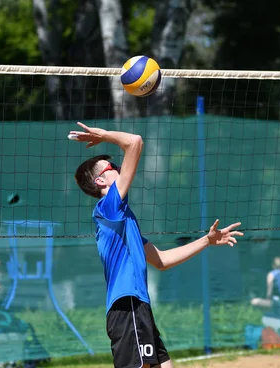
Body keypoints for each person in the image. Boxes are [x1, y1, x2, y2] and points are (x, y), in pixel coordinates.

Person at [71, 122, 243, 368]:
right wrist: (105, 136)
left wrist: (206, 241)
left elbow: (161, 260)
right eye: (113, 167)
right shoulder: (109, 208)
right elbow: (134, 142)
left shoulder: (121, 224)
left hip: (137, 305)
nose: (120, 168)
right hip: (127, 304)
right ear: (100, 181)